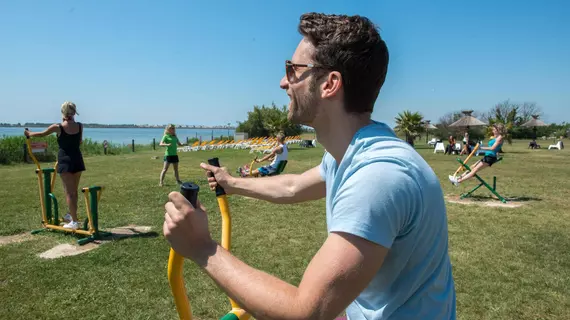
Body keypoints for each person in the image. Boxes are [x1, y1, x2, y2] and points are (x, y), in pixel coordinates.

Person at [164, 12, 456, 320]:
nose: (282, 82)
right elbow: (293, 186)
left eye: (292, 70)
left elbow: (305, 313)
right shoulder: (352, 152)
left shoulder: (378, 176)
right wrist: (232, 182)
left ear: (329, 84)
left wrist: (201, 247)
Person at [24, 101, 85, 229]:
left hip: (65, 161)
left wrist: (29, 134)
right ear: (74, 112)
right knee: (74, 190)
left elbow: (41, 134)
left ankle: (74, 222)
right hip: (77, 160)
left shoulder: (58, 127)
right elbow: (79, 142)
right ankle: (70, 215)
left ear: (63, 112)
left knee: (69, 192)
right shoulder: (80, 126)